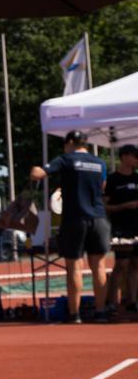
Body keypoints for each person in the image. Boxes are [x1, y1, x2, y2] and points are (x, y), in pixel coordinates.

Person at [31, 130, 110, 323]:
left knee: (74, 267)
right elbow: (103, 186)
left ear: (70, 143)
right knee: (99, 267)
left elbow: (39, 174)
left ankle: (75, 314)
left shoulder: (66, 159)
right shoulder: (99, 163)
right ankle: (101, 311)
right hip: (99, 218)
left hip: (75, 218)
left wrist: (34, 168)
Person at [104, 143, 138, 314]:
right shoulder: (112, 179)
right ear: (124, 156)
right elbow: (106, 206)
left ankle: (132, 300)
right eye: (134, 155)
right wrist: (125, 206)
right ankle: (111, 301)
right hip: (121, 228)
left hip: (137, 226)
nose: (136, 159)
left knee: (135, 264)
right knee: (121, 264)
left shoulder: (137, 178)